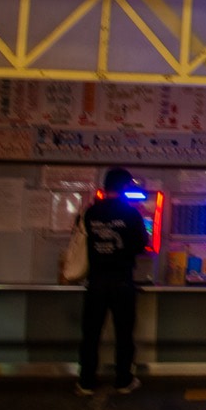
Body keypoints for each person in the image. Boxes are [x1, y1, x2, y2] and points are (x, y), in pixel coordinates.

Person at [76, 167, 147, 395]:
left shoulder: (91, 212)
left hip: (95, 281)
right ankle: (123, 380)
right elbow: (141, 245)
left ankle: (86, 381)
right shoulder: (132, 214)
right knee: (124, 334)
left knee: (91, 334)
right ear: (125, 187)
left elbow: (81, 239)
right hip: (122, 281)